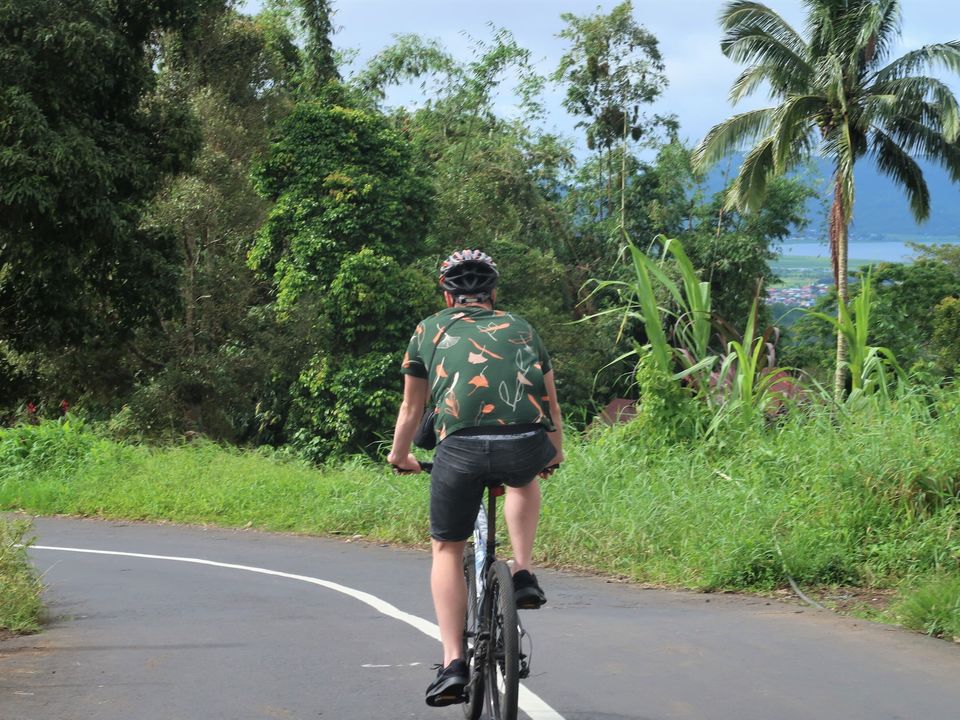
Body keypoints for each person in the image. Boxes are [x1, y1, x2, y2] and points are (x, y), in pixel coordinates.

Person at [387, 249, 563, 707]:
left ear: (447, 294)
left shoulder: (429, 329)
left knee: (447, 547)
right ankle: (523, 572)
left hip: (460, 448)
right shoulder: (522, 327)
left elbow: (412, 408)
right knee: (525, 476)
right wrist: (554, 451)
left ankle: (452, 664)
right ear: (493, 295)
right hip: (525, 440)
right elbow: (549, 401)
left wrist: (400, 454)